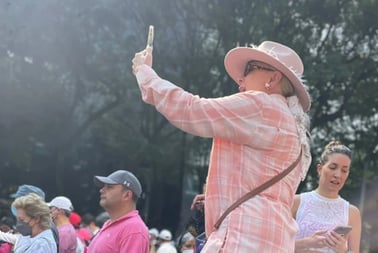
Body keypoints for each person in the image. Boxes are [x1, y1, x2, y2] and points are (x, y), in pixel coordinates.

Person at [132, 40, 312, 252]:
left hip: (243, 236)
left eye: (249, 69)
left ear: (273, 78)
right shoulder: (293, 128)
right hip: (276, 239)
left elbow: (192, 110)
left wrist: (144, 73)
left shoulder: (262, 106)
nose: (241, 79)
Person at [292, 141, 362, 253]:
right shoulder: (295, 202)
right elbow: (274, 244)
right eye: (333, 167)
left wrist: (342, 251)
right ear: (320, 169)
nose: (338, 175)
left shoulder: (352, 213)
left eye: (344, 170)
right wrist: (306, 243)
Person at [87, 170, 149, 253]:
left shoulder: (133, 229)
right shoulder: (110, 224)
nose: (101, 190)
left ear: (127, 195)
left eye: (109, 187)